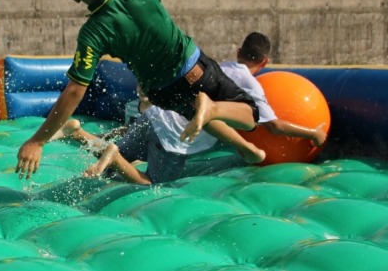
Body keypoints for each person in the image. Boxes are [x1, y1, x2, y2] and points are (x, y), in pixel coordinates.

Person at [16, 0, 264, 180]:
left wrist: (37, 141)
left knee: (194, 112)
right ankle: (215, 111)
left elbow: (74, 91)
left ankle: (239, 143)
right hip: (196, 70)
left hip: (163, 94)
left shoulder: (92, 33)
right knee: (251, 114)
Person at [53, 32, 328, 185]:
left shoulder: (219, 69)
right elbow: (274, 125)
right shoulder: (247, 87)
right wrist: (312, 135)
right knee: (152, 183)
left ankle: (77, 133)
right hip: (174, 137)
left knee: (117, 168)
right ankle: (112, 156)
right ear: (265, 61)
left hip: (153, 116)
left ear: (238, 51)